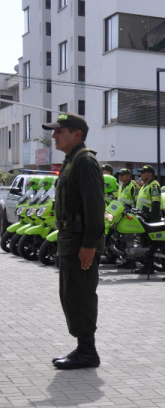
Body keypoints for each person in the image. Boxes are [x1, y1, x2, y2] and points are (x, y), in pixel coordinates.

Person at [47, 113, 105, 370]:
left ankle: (87, 352)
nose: (54, 136)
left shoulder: (84, 162)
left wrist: (89, 245)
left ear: (77, 134)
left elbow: (94, 208)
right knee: (71, 295)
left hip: (81, 242)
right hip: (70, 240)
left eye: (60, 131)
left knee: (80, 294)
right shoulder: (72, 160)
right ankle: (83, 347)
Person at [132, 166, 163, 274]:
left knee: (150, 244)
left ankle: (150, 267)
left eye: (143, 173)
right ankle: (146, 266)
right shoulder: (145, 185)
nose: (141, 175)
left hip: (149, 219)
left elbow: (156, 204)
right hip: (142, 219)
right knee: (144, 243)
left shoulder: (154, 185)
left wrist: (153, 222)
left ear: (150, 174)